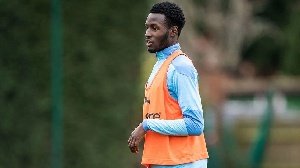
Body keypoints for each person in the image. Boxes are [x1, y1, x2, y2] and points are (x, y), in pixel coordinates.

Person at [128, 2, 209, 168]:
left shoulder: (180, 67)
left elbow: (195, 124)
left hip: (184, 162)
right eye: (147, 27)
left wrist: (147, 125)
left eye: (154, 28)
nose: (147, 34)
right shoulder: (161, 64)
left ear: (173, 32)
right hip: (165, 162)